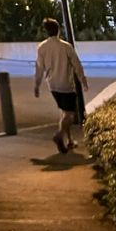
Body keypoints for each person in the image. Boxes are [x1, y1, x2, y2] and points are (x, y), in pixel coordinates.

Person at [34, 18, 88, 154]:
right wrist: (83, 80)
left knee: (64, 112)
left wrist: (37, 85)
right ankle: (59, 135)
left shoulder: (42, 47)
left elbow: (39, 68)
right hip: (66, 84)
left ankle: (69, 140)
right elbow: (77, 65)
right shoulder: (66, 46)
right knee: (70, 114)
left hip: (52, 85)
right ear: (58, 30)